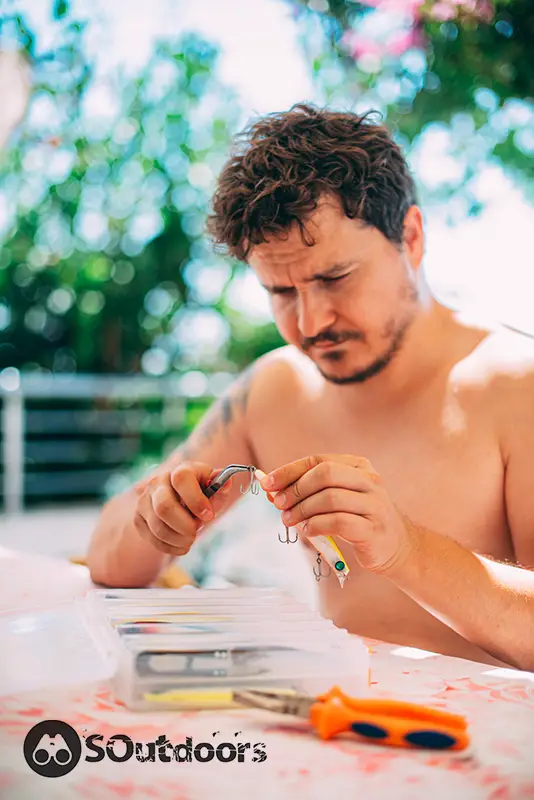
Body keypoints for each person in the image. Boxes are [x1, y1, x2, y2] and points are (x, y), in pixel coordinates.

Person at [87, 104, 534, 671]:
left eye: (334, 278)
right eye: (281, 292)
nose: (312, 322)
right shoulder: (275, 390)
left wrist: (403, 549)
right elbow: (107, 558)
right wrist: (155, 522)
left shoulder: (518, 386)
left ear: (412, 238)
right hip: (336, 729)